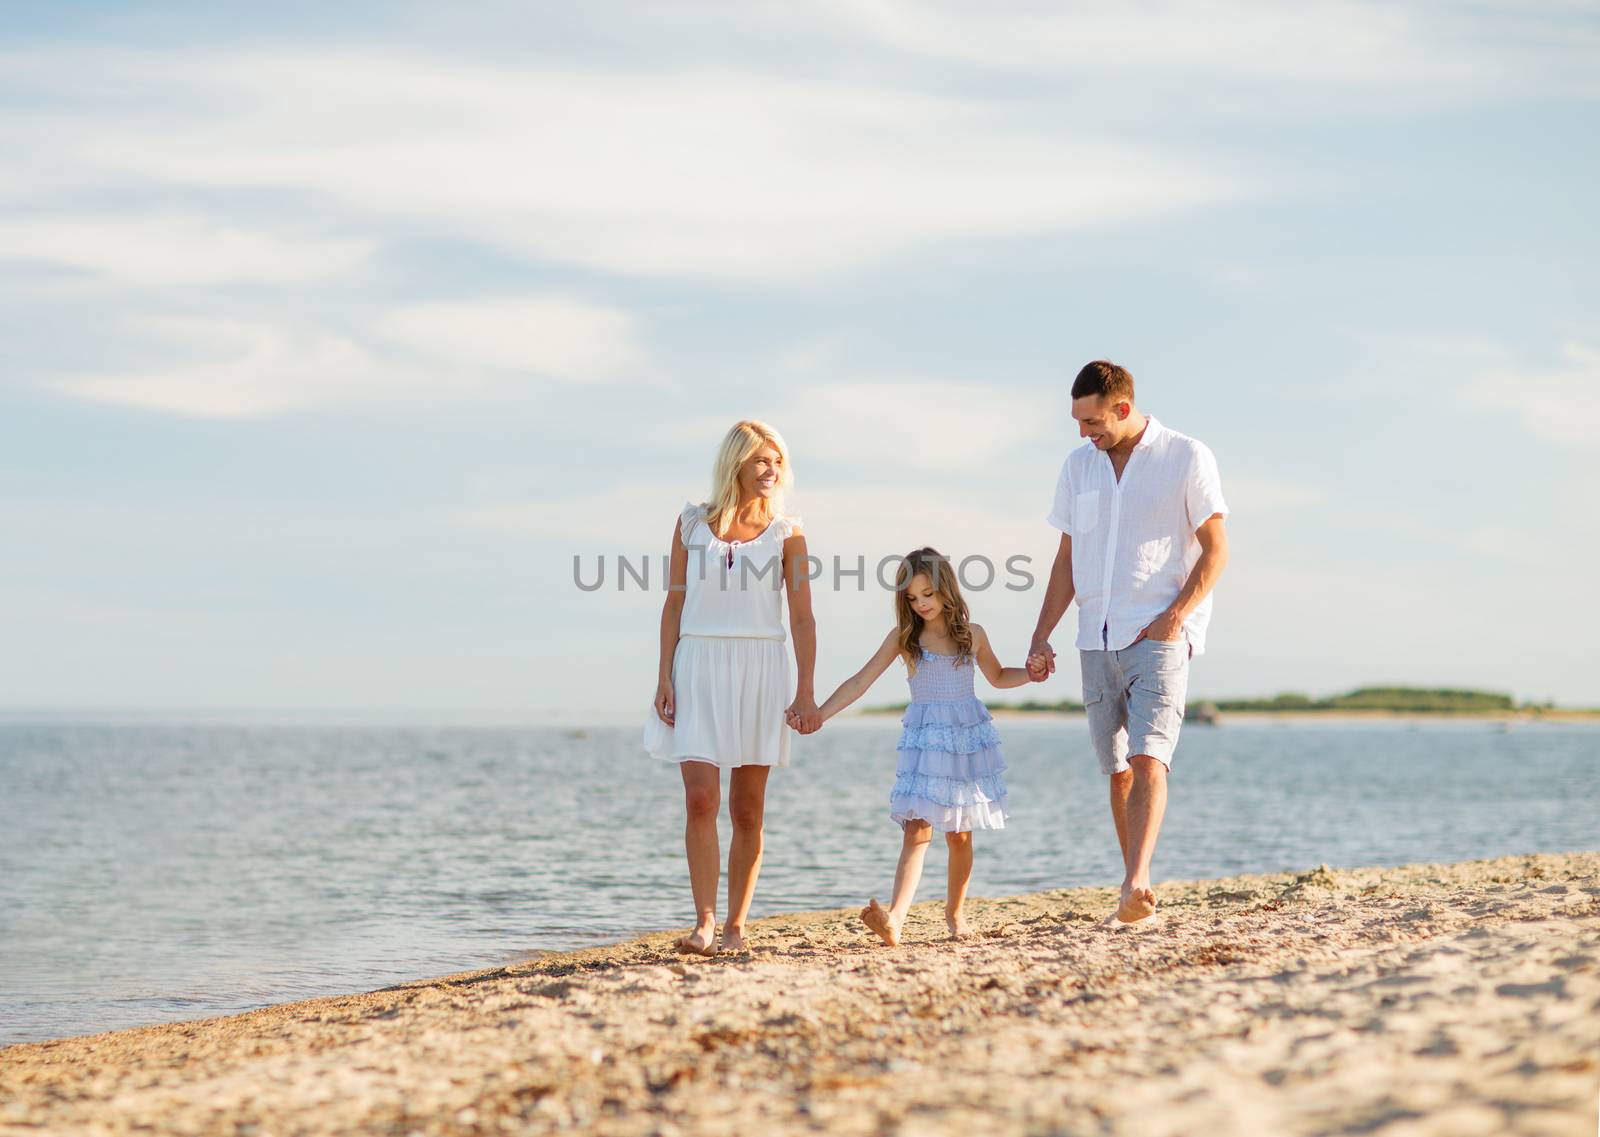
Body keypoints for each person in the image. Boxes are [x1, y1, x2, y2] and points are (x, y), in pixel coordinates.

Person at [1027, 360, 1229, 925]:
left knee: (1148, 758)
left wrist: (1176, 617)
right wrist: (1041, 633)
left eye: (1091, 421)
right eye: (1077, 422)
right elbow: (1067, 560)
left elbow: (1216, 549)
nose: (1083, 433)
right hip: (1095, 636)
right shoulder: (1077, 468)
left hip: (1157, 634)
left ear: (1122, 408)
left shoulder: (1187, 456)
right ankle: (1132, 882)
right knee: (1116, 767)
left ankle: (1136, 880)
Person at [644, 420, 821, 956]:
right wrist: (663, 675)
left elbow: (803, 619)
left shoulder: (788, 534)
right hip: (697, 662)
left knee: (747, 809)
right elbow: (673, 603)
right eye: (761, 461)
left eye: (777, 462)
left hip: (761, 667)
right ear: (736, 464)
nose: (771, 471)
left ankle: (736, 926)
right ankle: (703, 921)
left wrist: (806, 691)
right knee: (700, 799)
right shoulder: (690, 523)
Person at [800, 547, 1035, 946]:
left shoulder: (971, 634)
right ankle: (895, 918)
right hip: (926, 744)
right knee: (916, 830)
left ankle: (956, 914)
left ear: (946, 588)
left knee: (959, 835)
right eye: (912, 597)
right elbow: (860, 681)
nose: (921, 604)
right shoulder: (905, 639)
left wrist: (1031, 674)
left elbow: (997, 676)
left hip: (963, 741)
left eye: (927, 593)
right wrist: (821, 712)